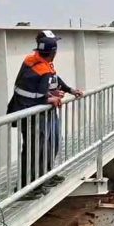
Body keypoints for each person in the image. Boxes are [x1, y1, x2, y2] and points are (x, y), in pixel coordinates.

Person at [8, 36, 82, 199]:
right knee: (34, 150)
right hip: (32, 113)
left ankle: (44, 177)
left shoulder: (35, 60)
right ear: (53, 53)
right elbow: (39, 94)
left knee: (50, 143)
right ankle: (26, 187)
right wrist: (51, 98)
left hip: (36, 110)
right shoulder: (42, 68)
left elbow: (50, 80)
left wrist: (69, 90)